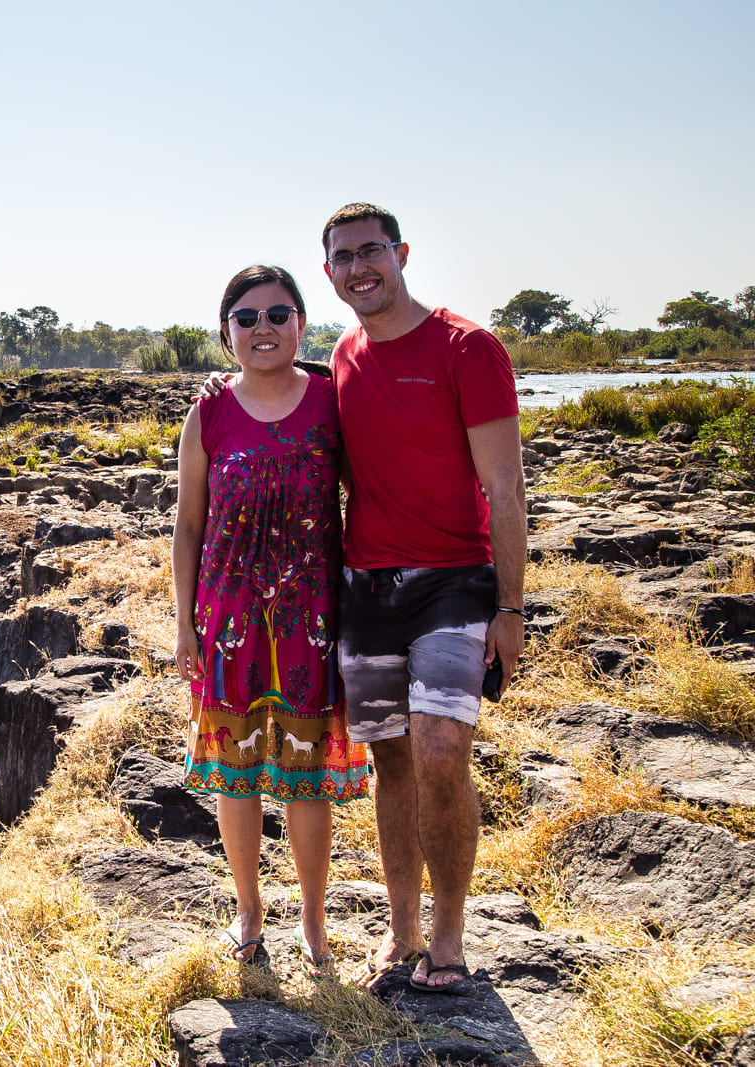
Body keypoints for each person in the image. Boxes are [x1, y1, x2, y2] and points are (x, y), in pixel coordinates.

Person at [320, 203, 527, 992]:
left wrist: (511, 609)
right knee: (392, 760)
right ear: (330, 271)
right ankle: (402, 927)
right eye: (343, 256)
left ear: (401, 253)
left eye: (372, 251)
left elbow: (505, 488)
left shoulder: (467, 346)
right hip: (368, 588)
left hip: (455, 581)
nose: (359, 267)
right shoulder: (341, 355)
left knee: (443, 751)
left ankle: (449, 934)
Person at [173, 265, 371, 978]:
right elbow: (188, 526)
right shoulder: (209, 413)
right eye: (247, 317)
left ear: (301, 323)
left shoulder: (331, 402)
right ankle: (249, 910)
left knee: (306, 776)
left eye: (278, 313)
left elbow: (372, 491)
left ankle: (315, 923)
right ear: (226, 333)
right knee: (238, 775)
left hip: (310, 619)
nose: (264, 328)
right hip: (227, 619)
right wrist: (182, 625)